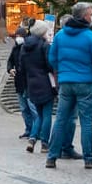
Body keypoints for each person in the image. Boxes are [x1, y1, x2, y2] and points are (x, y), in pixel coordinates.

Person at [46, 2, 92, 169]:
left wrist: (62, 71)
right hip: (85, 83)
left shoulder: (60, 36)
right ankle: (88, 158)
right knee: (86, 122)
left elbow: (52, 59)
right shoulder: (90, 37)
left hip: (66, 82)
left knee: (61, 118)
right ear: (84, 17)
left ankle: (52, 157)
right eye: (90, 14)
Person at [20, 19, 56, 154]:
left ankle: (33, 138)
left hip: (31, 83)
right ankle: (45, 143)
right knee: (46, 115)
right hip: (45, 82)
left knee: (39, 115)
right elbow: (50, 65)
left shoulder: (24, 46)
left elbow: (21, 67)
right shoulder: (44, 46)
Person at [7, 27, 35, 139]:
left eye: (20, 36)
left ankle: (36, 130)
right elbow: (10, 61)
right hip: (19, 81)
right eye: (16, 36)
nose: (17, 38)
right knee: (24, 108)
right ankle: (28, 129)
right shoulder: (15, 48)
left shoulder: (29, 47)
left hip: (29, 81)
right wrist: (10, 69)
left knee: (32, 107)